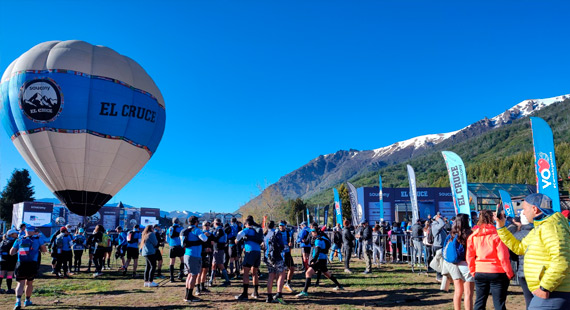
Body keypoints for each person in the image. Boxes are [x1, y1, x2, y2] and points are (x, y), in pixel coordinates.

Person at [496, 193, 570, 310]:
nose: (523, 213)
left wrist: (545, 287)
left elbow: (562, 260)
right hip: (550, 290)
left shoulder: (551, 227)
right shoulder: (540, 227)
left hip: (554, 291)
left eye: (524, 209)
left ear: (534, 209)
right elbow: (519, 248)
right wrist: (501, 228)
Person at [467, 210, 513, 310]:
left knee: (479, 301)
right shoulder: (498, 235)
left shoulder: (473, 236)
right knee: (499, 303)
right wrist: (509, 272)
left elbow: (469, 256)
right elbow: (503, 257)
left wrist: (473, 271)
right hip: (497, 271)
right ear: (493, 219)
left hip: (480, 270)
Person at [296, 225, 343, 298]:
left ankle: (304, 291)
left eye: (313, 232)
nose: (312, 233)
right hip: (323, 259)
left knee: (308, 273)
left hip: (319, 260)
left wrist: (314, 260)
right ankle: (339, 286)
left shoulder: (318, 240)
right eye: (312, 232)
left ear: (316, 232)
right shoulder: (322, 238)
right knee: (327, 273)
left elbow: (317, 251)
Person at [10, 225, 47, 310]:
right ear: (34, 231)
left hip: (21, 263)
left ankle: (18, 302)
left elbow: (11, 252)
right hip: (32, 264)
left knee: (20, 283)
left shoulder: (19, 239)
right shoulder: (38, 239)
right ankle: (27, 301)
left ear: (25, 231)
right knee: (29, 283)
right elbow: (44, 250)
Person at [442, 213, 474, 310]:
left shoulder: (451, 234)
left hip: (453, 265)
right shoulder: (469, 233)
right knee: (468, 293)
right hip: (466, 264)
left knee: (458, 291)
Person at [234, 216, 264, 301]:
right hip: (257, 252)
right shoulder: (257, 230)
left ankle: (245, 294)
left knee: (246, 272)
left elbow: (239, 234)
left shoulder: (248, 229)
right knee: (254, 273)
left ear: (247, 224)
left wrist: (237, 240)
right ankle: (255, 292)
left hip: (250, 252)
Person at [181, 216, 208, 302]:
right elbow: (204, 239)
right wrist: (205, 234)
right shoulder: (196, 230)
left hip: (187, 254)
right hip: (194, 255)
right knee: (193, 275)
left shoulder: (185, 231)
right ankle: (189, 297)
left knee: (189, 275)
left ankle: (187, 295)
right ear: (196, 222)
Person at [511, 213, 533, 308]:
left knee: (528, 299)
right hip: (537, 271)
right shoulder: (538, 233)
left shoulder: (516, 235)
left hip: (522, 270)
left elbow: (513, 254)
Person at [264, 221, 286, 304]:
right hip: (276, 256)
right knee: (282, 274)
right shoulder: (276, 233)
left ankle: (269, 296)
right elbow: (281, 245)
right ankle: (279, 294)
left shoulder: (266, 234)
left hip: (268, 257)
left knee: (271, 275)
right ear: (274, 226)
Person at [210, 219, 231, 287]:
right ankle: (211, 280)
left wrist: (210, 236)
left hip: (219, 249)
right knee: (214, 264)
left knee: (220, 264)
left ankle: (227, 280)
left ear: (216, 223)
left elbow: (216, 238)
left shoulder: (220, 230)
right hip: (217, 249)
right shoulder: (219, 229)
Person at [196, 221, 213, 296]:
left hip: (207, 254)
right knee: (199, 272)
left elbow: (212, 243)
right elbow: (198, 244)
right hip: (200, 254)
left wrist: (210, 248)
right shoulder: (200, 234)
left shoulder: (210, 234)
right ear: (202, 226)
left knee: (205, 270)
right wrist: (204, 249)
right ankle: (197, 288)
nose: (207, 226)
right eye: (205, 225)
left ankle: (202, 286)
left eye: (208, 225)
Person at [166, 218, 185, 282]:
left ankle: (171, 277)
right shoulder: (181, 228)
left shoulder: (169, 229)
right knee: (182, 260)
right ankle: (181, 275)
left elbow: (167, 239)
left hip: (172, 246)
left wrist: (170, 243)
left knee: (172, 261)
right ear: (178, 222)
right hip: (179, 246)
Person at [278, 221, 295, 293]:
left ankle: (288, 283)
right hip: (280, 253)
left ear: (285, 226)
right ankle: (279, 287)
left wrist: (290, 244)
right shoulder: (277, 233)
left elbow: (290, 242)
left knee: (292, 268)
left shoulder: (288, 232)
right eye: (280, 226)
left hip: (287, 252)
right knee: (281, 271)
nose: (281, 227)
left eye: (282, 226)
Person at [0, 229, 19, 294]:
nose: (17, 234)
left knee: (1, 274)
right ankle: (9, 289)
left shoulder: (3, 241)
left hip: (2, 259)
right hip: (11, 260)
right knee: (9, 275)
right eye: (15, 233)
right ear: (11, 235)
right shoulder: (14, 241)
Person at [432, 213, 448, 281]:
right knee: (439, 261)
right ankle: (438, 276)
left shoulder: (438, 226)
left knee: (442, 261)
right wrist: (438, 219)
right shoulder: (435, 225)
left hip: (441, 244)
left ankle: (442, 275)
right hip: (438, 245)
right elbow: (442, 224)